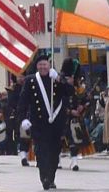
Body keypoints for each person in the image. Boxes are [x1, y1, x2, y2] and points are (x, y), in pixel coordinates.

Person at [17, 54, 69, 190]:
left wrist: (58, 78)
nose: (42, 67)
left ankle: (51, 178)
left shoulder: (56, 78)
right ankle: (44, 178)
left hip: (55, 123)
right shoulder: (31, 80)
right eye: (40, 65)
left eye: (44, 64)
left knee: (54, 153)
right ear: (37, 66)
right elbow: (23, 101)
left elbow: (70, 92)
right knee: (41, 152)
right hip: (38, 123)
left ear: (49, 65)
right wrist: (23, 118)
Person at [62, 58, 94, 171]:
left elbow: (85, 100)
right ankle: (57, 160)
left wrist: (83, 106)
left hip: (75, 119)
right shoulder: (60, 87)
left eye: (71, 77)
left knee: (74, 140)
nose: (70, 79)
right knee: (59, 141)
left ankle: (74, 161)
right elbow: (56, 104)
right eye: (67, 77)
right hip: (62, 118)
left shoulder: (78, 88)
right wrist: (69, 111)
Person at [7, 73, 31, 166]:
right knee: (22, 137)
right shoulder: (13, 89)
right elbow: (10, 104)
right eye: (19, 76)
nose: (21, 79)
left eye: (23, 76)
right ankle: (23, 157)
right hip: (19, 115)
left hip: (30, 114)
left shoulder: (29, 87)